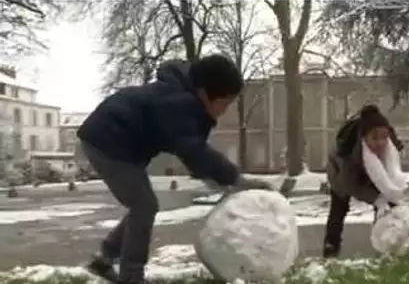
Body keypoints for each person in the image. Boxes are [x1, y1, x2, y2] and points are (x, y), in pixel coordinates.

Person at [77, 55, 272, 284]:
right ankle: (131, 277)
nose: (225, 110)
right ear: (205, 92)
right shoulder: (178, 104)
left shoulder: (183, 98)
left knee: (142, 206)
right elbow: (194, 150)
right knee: (144, 206)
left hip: (120, 144)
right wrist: (235, 178)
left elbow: (192, 153)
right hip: (107, 142)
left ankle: (105, 257)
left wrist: (218, 178)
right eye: (224, 103)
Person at [323, 104, 408, 258]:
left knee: (387, 208)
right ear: (363, 136)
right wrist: (376, 199)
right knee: (338, 208)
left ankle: (386, 246)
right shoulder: (348, 153)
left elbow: (393, 178)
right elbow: (350, 185)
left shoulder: (391, 149)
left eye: (384, 137)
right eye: (374, 137)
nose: (380, 142)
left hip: (372, 174)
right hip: (341, 175)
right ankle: (331, 247)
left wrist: (389, 198)